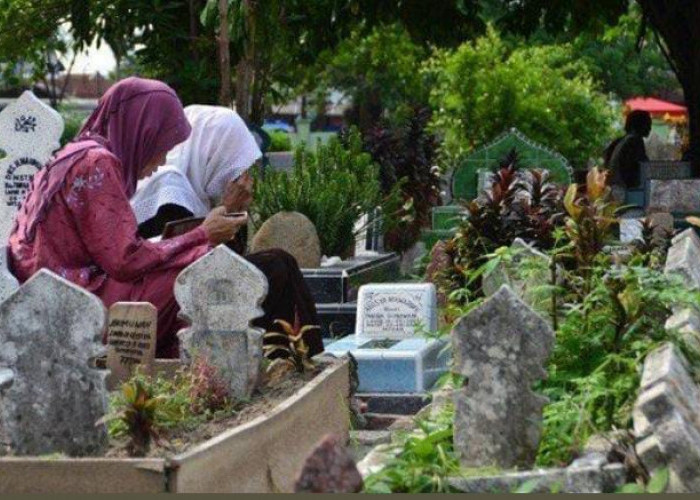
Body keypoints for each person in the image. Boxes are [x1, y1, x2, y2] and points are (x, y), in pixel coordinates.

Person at [8, 78, 245, 358]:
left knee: (190, 260)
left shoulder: (75, 153)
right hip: (74, 307)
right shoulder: (97, 163)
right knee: (200, 267)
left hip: (47, 298)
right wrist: (202, 234)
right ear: (140, 132)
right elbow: (125, 260)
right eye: (161, 147)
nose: (161, 163)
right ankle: (189, 365)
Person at [130, 105, 323, 357]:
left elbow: (222, 257)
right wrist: (227, 208)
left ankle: (297, 356)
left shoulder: (194, 188)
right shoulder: (167, 186)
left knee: (275, 266)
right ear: (210, 151)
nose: (239, 176)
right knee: (278, 265)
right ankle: (301, 356)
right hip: (163, 305)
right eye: (233, 164)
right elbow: (189, 261)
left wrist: (230, 211)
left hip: (191, 293)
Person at [604, 110, 652, 190]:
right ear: (638, 125)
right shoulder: (635, 141)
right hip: (625, 192)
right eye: (648, 124)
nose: (650, 128)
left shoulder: (621, 140)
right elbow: (640, 170)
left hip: (615, 189)